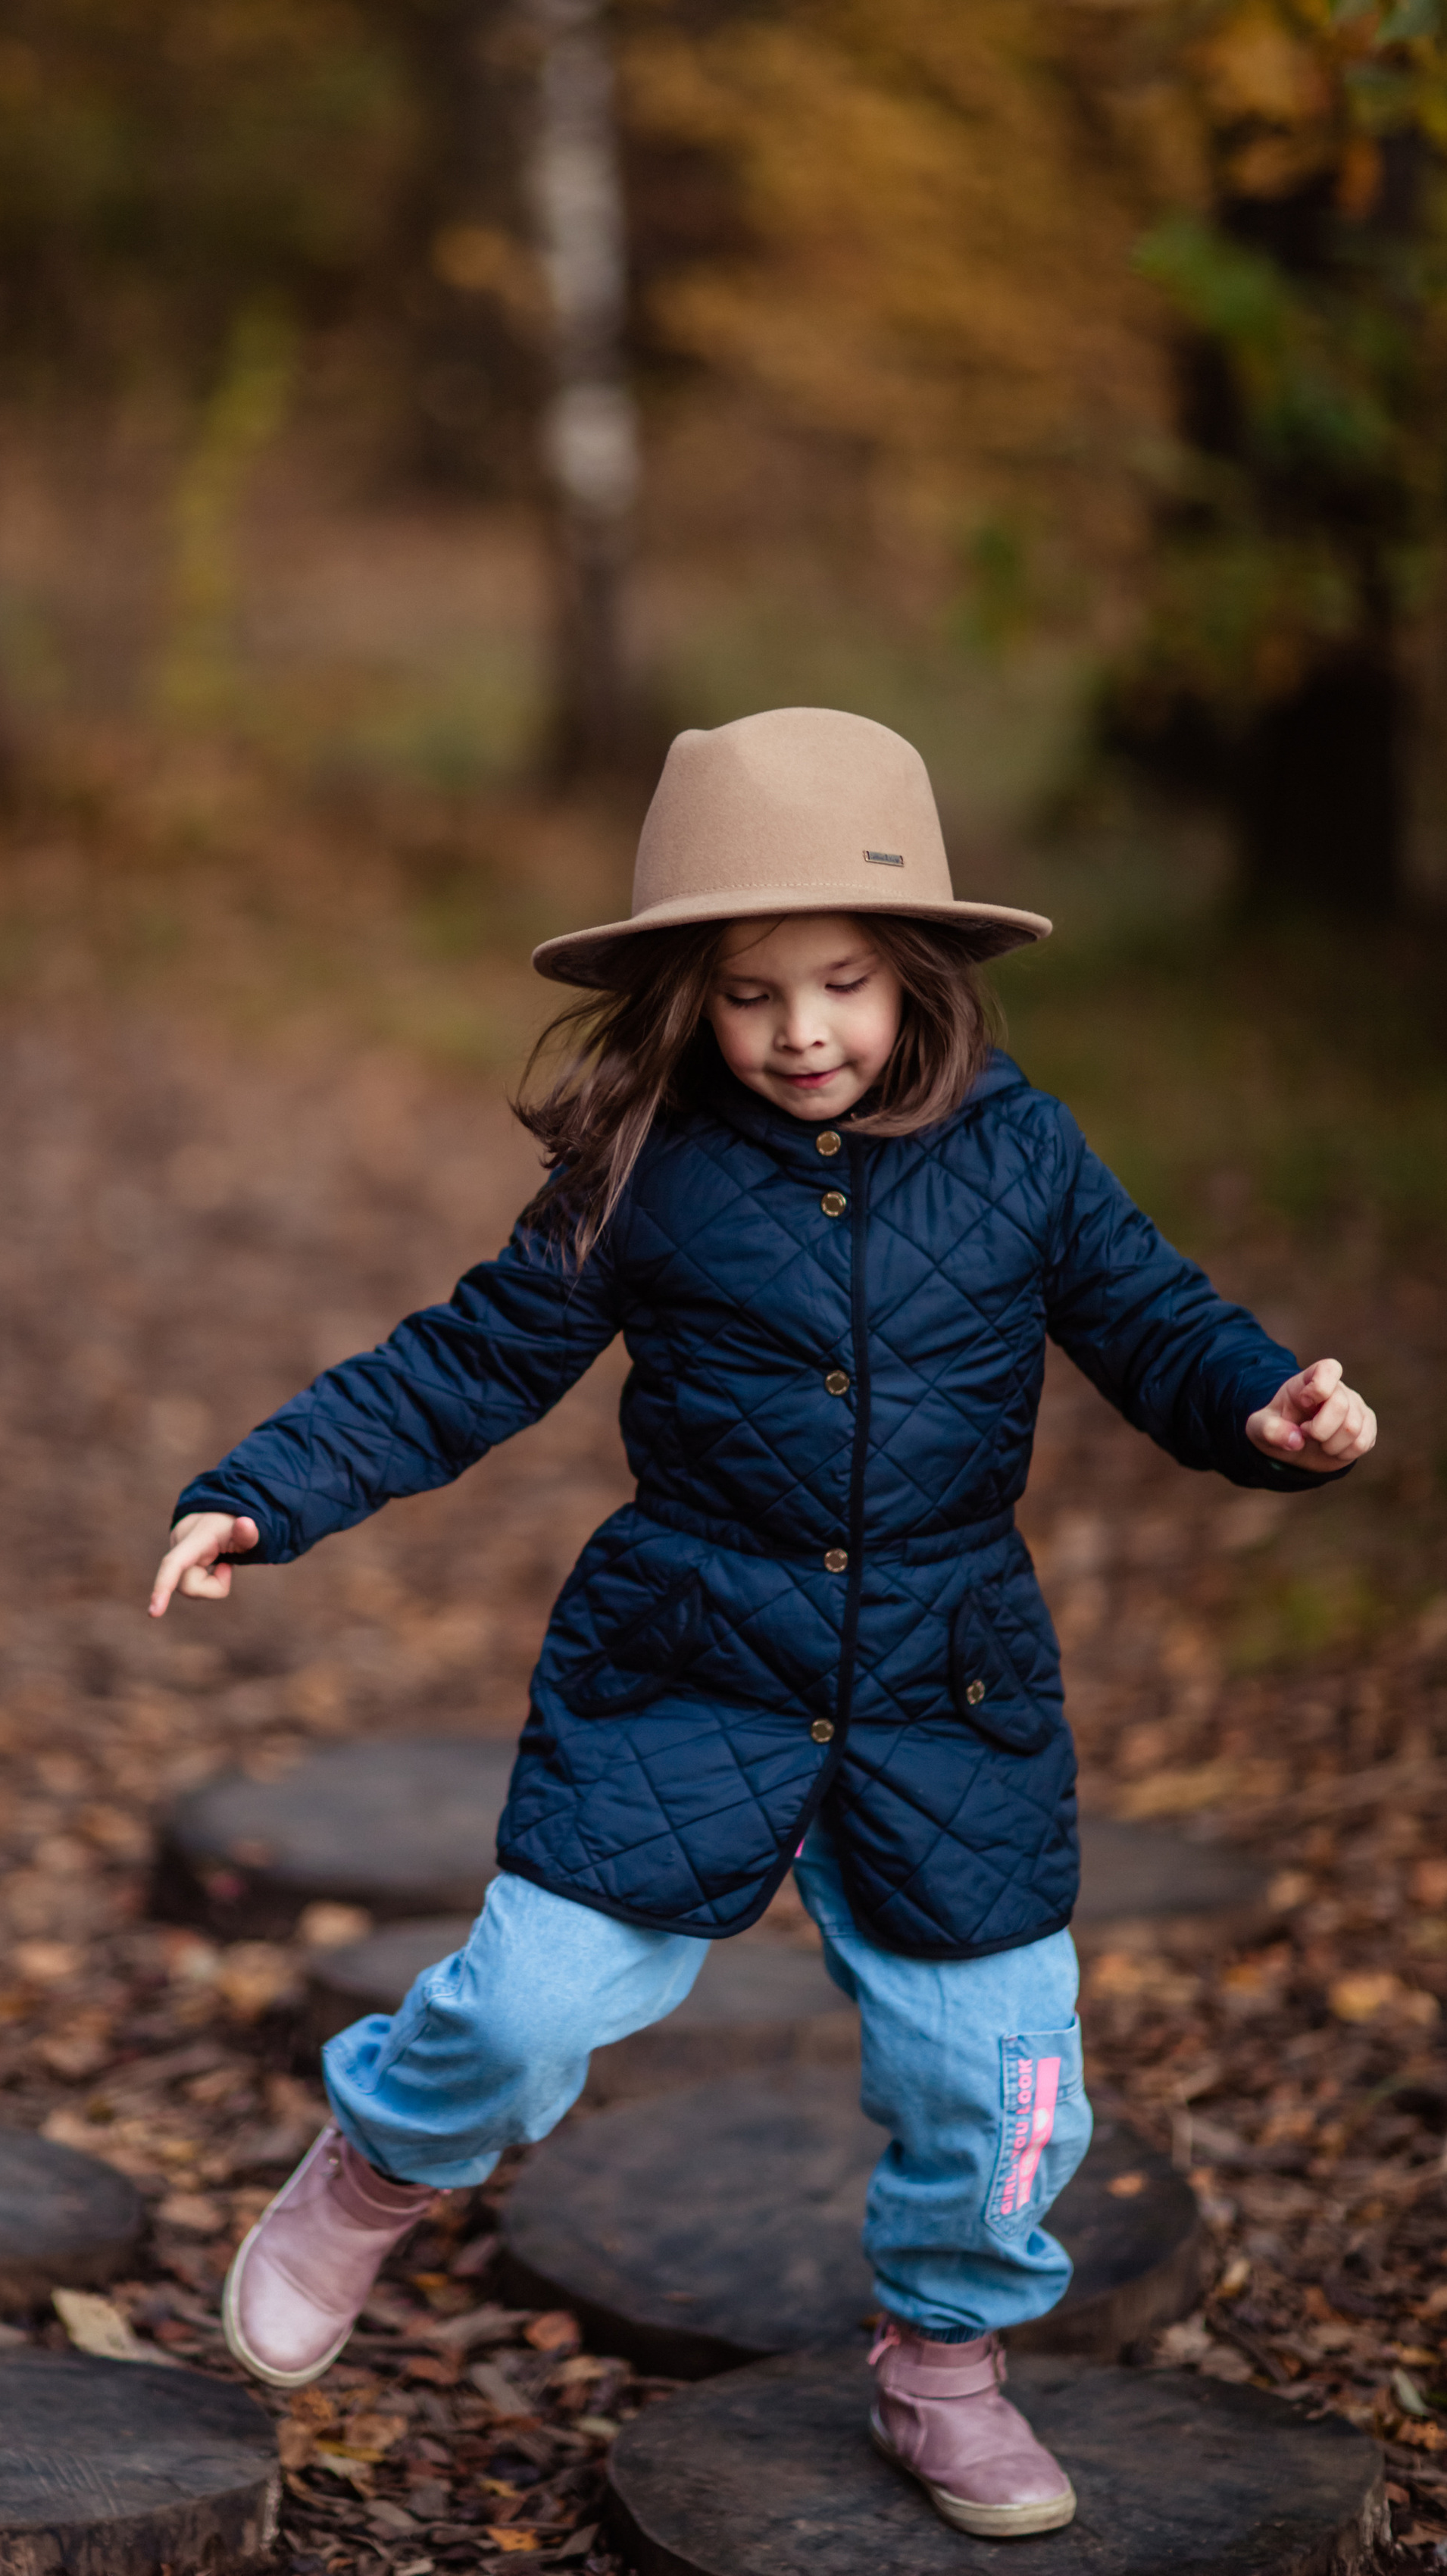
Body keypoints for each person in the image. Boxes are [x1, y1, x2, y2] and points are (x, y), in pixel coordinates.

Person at [149, 708, 1376, 2538]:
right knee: (518, 2012)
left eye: (843, 983)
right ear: (683, 1002)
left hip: (941, 1685)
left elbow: (1155, 1322)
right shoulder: (646, 1166)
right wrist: (270, 1487)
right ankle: (371, 2168)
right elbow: (465, 1360)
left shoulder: (1023, 1157)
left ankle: (942, 2364)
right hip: (687, 1664)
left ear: (922, 978)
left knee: (1003, 2080)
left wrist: (1264, 1410)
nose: (800, 1032)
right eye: (747, 995)